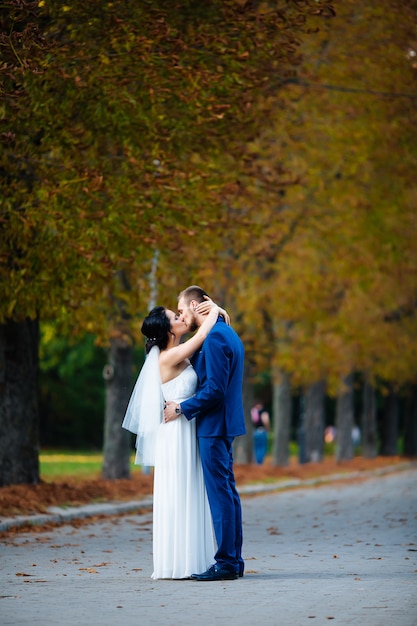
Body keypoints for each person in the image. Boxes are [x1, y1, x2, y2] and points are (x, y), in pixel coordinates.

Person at [122, 298, 228, 579]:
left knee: (191, 491)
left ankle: (193, 559)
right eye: (175, 317)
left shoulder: (177, 352)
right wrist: (215, 309)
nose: (182, 318)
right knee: (178, 492)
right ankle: (177, 562)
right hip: (175, 435)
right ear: (168, 330)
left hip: (185, 427)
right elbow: (203, 334)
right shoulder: (168, 356)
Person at [164, 285, 246, 581]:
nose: (182, 315)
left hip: (213, 426)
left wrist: (181, 409)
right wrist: (219, 311)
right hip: (225, 423)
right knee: (229, 493)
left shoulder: (213, 339)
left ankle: (226, 562)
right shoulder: (227, 332)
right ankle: (233, 561)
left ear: (197, 307)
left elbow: (214, 390)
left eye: (183, 309)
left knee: (221, 494)